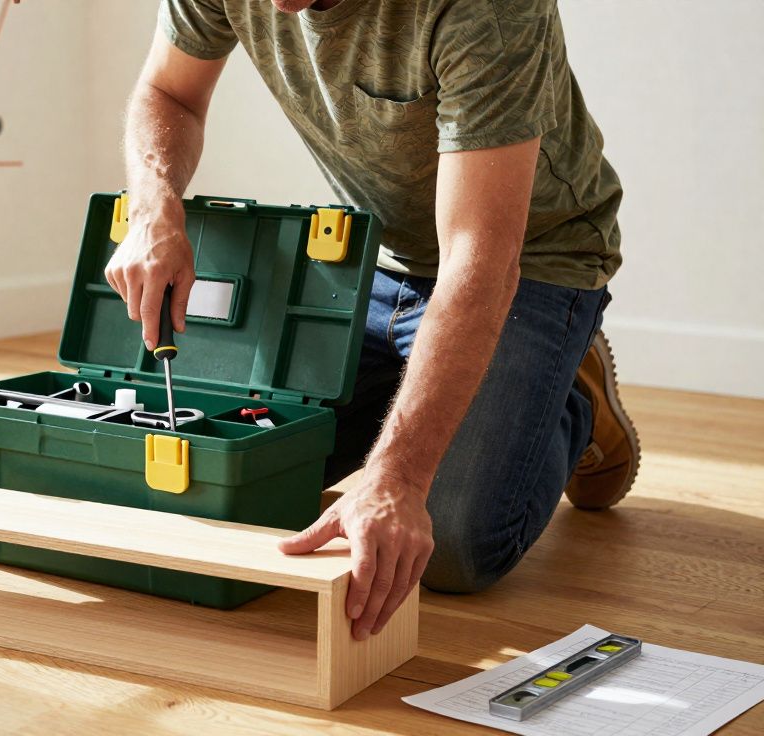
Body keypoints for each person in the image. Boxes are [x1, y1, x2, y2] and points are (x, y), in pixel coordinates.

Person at [103, 0, 640, 641]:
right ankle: (450, 380)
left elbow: (481, 264)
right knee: (254, 476)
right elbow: (169, 92)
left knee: (455, 545)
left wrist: (396, 479)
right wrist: (153, 208)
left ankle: (567, 390)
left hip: (532, 259)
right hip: (381, 258)